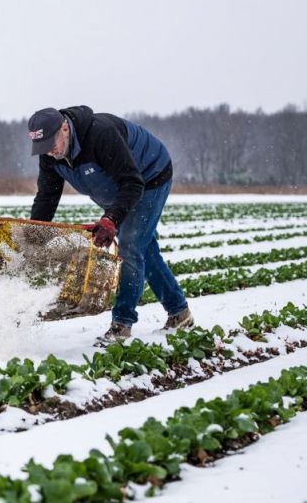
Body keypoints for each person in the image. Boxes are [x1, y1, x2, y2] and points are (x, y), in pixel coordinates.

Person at [27, 105, 193, 343]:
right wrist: (35, 232)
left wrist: (111, 218)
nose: (50, 152)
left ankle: (122, 326)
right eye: (42, 148)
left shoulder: (100, 135)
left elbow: (132, 183)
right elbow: (47, 196)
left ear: (64, 128)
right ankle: (180, 313)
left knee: (131, 247)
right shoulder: (50, 155)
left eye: (51, 144)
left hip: (149, 177)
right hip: (115, 190)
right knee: (144, 247)